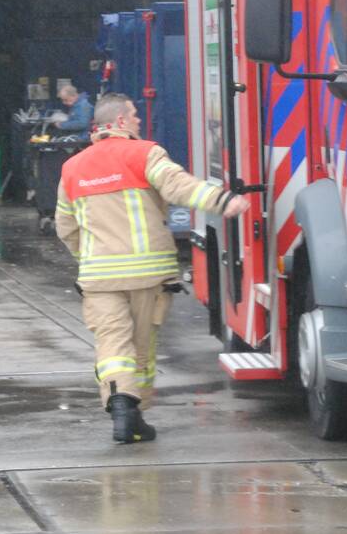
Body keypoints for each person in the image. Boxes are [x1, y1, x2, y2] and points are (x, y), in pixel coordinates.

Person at [55, 93, 250, 444]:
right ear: (118, 123)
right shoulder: (144, 153)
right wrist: (222, 201)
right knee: (142, 348)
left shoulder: (72, 168)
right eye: (134, 115)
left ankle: (120, 410)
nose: (139, 121)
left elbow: (65, 227)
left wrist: (87, 259)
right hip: (146, 274)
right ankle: (135, 414)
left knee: (112, 344)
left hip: (98, 277)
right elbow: (179, 186)